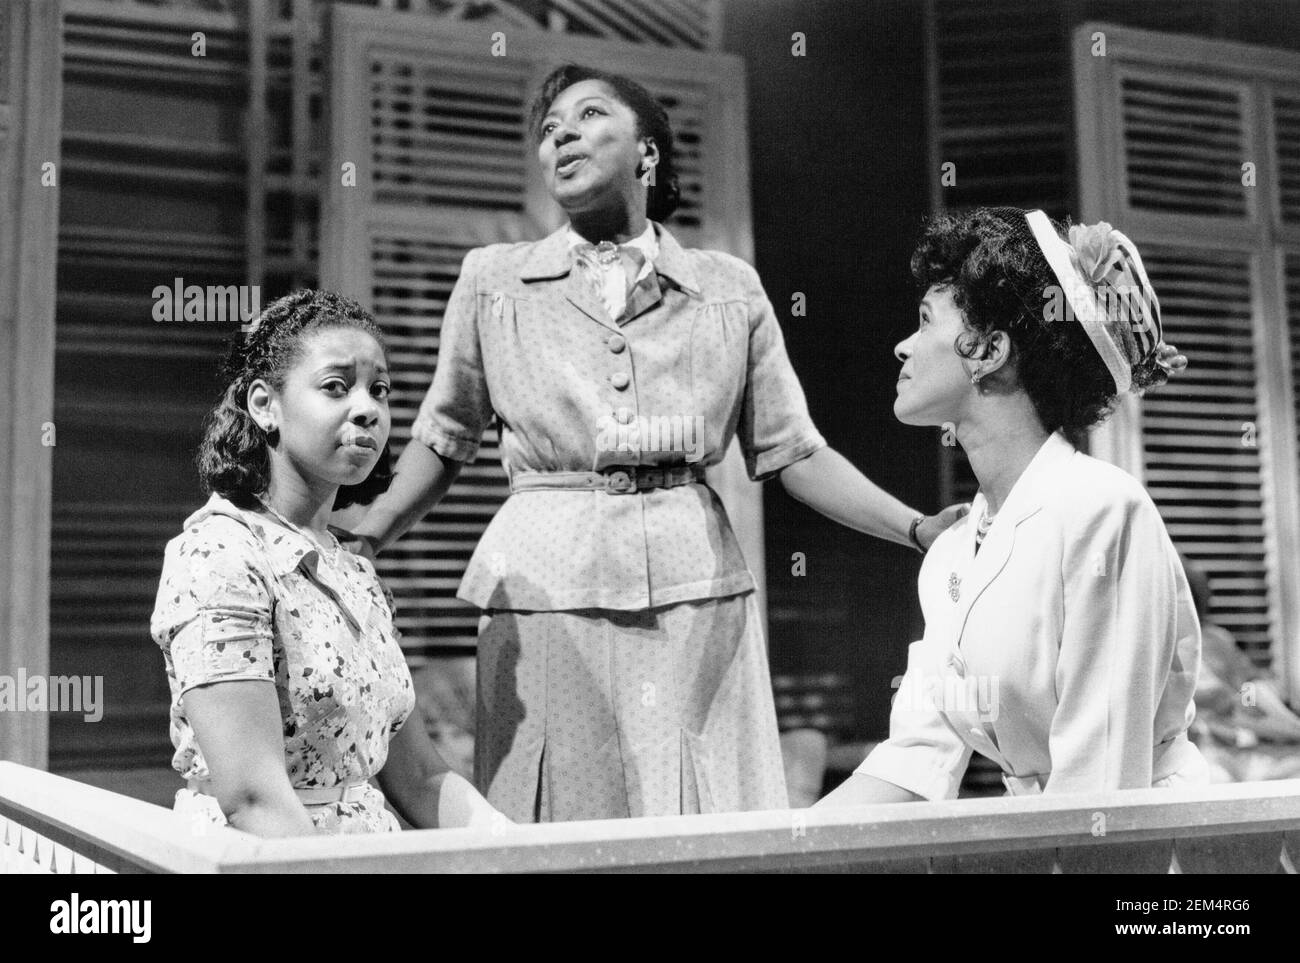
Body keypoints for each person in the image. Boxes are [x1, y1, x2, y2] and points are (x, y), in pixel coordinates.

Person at [345, 64, 967, 823]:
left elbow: (793, 451)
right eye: (549, 130)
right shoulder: (493, 281)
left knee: (700, 811)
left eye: (589, 115)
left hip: (695, 593)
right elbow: (443, 440)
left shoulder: (727, 286)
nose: (560, 135)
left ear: (647, 154)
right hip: (542, 593)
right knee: (553, 818)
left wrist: (914, 527)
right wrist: (369, 530)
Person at [818, 207, 1204, 805]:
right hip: (1044, 836)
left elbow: (1100, 787)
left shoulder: (1101, 511)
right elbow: (913, 760)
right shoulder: (951, 552)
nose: (902, 346)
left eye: (925, 321)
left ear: (989, 349)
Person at [151, 290, 502, 836]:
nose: (367, 408)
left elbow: (421, 780)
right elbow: (253, 799)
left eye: (379, 390)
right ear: (265, 405)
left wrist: (514, 851)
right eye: (336, 387)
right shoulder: (220, 554)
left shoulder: (353, 568)